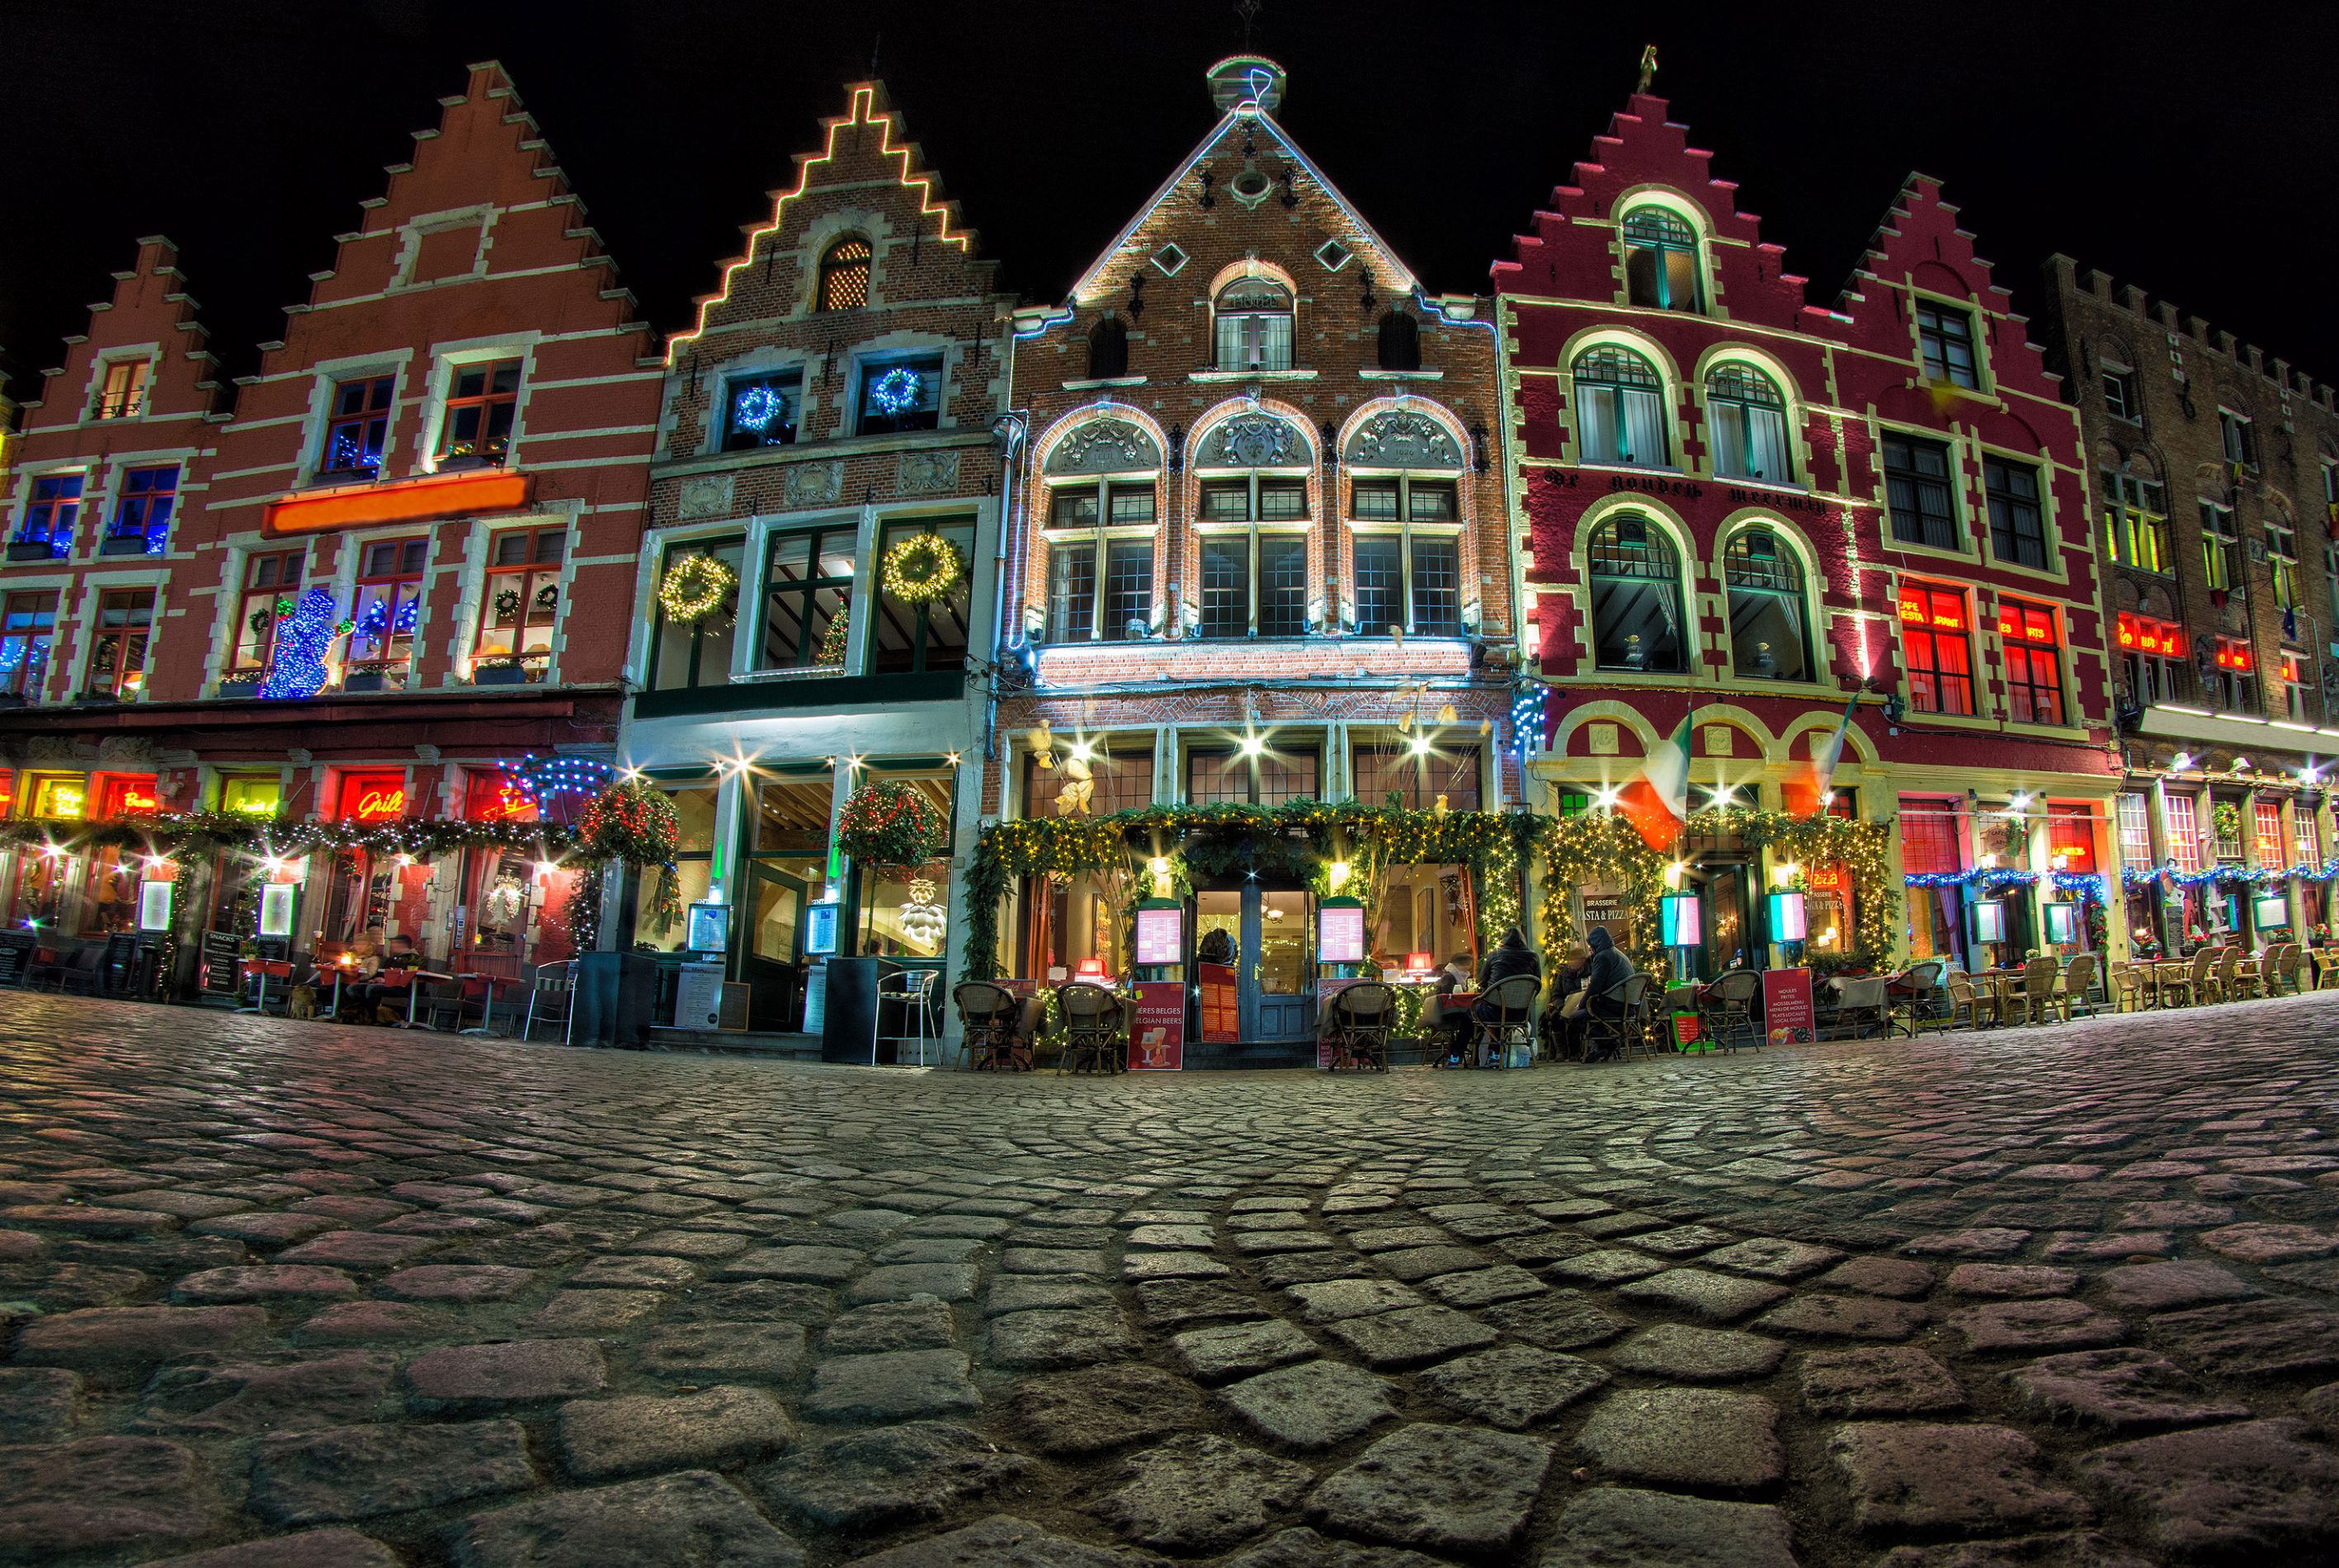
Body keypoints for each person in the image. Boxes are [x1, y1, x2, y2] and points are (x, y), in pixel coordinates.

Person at [1469, 927, 1541, 1066]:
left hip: (1494, 1011)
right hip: (1520, 1014)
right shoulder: (1533, 956)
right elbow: (1537, 984)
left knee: (1470, 1014)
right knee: (1505, 1014)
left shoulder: (1494, 955)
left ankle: (1456, 1055)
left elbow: (1482, 981)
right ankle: (1496, 1052)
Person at [1567, 926, 1637, 1062]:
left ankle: (1607, 1043)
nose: (1590, 949)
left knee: (1575, 1017)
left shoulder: (1603, 956)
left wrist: (1581, 1005)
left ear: (1596, 943)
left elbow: (1595, 987)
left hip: (1614, 1006)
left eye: (1590, 945)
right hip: (1629, 1006)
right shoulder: (1617, 953)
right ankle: (1603, 1045)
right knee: (1586, 1013)